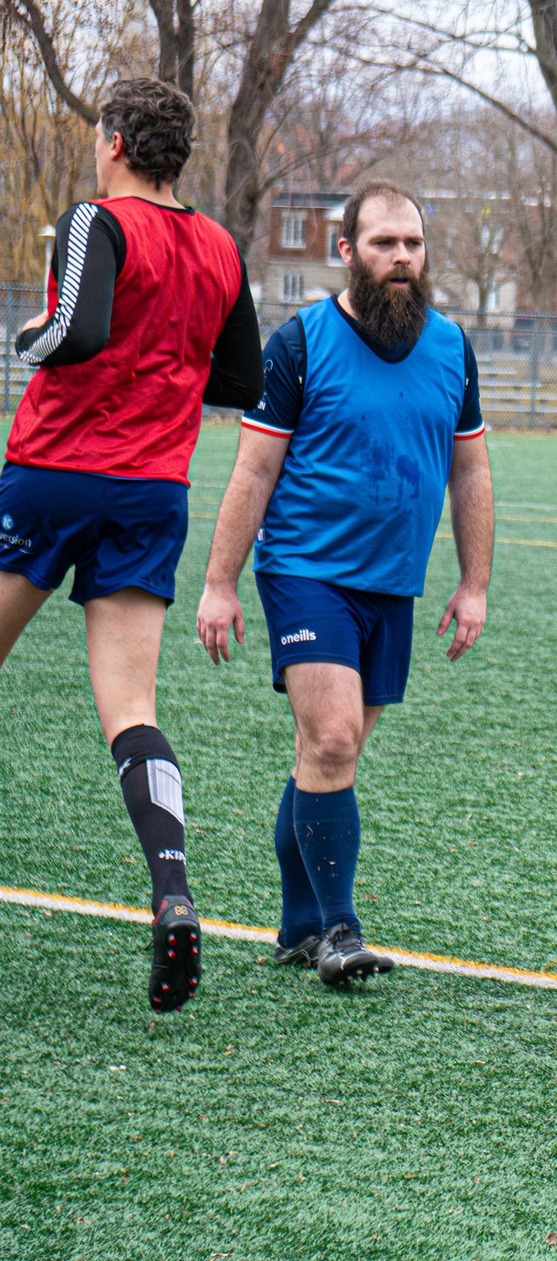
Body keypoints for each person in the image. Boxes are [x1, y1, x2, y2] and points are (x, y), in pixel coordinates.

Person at [0, 78, 263, 1014]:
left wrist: (31, 336)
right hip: (153, 490)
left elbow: (80, 327)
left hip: (53, 473)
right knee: (132, 706)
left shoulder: (94, 219)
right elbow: (240, 375)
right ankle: (172, 887)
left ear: (112, 142)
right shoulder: (222, 246)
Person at [195, 180, 494, 989]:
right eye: (383, 244)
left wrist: (475, 583)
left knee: (330, 754)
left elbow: (470, 470)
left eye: (413, 245)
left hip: (391, 586)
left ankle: (296, 927)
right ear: (346, 253)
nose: (401, 259)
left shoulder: (450, 347)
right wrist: (220, 582)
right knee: (331, 740)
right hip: (304, 571)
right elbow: (255, 468)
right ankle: (337, 930)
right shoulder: (299, 343)